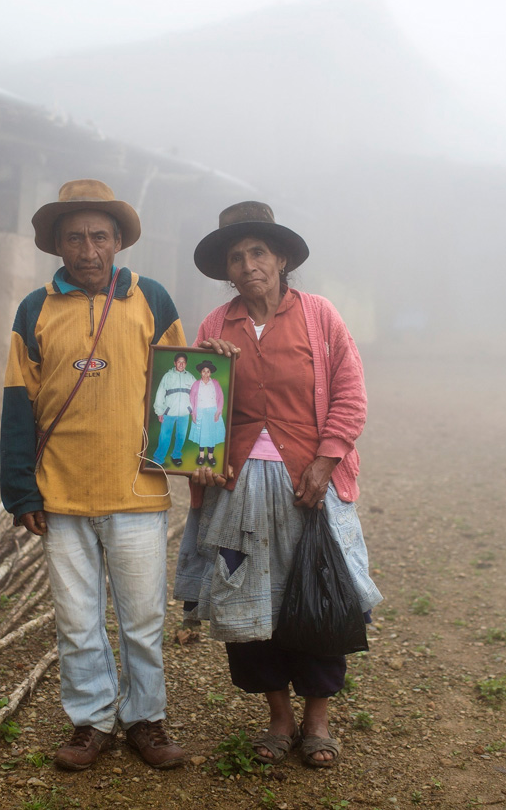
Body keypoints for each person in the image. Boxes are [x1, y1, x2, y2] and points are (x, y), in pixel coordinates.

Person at [175, 201, 382, 768]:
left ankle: (317, 722)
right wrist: (201, 451)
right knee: (248, 603)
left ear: (282, 257)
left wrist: (328, 458)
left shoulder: (318, 316)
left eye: (258, 252)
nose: (247, 265)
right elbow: (199, 409)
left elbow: (350, 393)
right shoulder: (216, 326)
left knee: (319, 594)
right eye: (235, 257)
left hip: (307, 483)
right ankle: (278, 719)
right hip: (237, 488)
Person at [1, 179, 197, 772]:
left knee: (142, 618)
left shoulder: (152, 299)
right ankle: (90, 720)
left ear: (118, 241)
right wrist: (20, 491)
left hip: (136, 491)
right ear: (58, 246)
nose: (89, 249)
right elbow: (17, 402)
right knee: (77, 619)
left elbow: (180, 392)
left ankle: (146, 719)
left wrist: (195, 463)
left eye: (100, 236)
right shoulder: (34, 309)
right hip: (60, 494)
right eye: (76, 238)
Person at [152, 352, 194, 466]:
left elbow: (196, 394)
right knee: (164, 436)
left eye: (183, 362)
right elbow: (160, 393)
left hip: (184, 413)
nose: (181, 364)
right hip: (169, 412)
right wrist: (159, 411)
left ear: (186, 364)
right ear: (175, 363)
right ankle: (158, 459)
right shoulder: (167, 376)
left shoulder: (190, 377)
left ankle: (176, 456)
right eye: (179, 362)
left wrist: (192, 409)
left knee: (181, 436)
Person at [187, 359, 225, 466]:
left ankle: (210, 456)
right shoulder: (196, 384)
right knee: (202, 435)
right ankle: (201, 455)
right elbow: (191, 399)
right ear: (200, 372)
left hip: (213, 412)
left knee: (211, 435)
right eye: (204, 371)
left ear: (210, 373)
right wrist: (193, 413)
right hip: (200, 412)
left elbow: (220, 398)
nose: (206, 374)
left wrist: (218, 411)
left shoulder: (215, 384)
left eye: (208, 371)